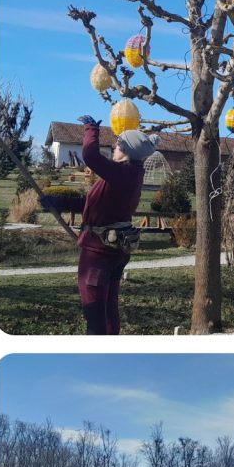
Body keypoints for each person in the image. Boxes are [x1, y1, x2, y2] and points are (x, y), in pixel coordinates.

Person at [74, 116, 156, 335]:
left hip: (98, 255)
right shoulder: (129, 175)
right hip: (113, 252)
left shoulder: (121, 173)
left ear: (127, 151)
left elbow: (89, 155)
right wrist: (59, 202)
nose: (114, 146)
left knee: (95, 314)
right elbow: (97, 205)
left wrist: (91, 129)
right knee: (109, 308)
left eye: (118, 144)